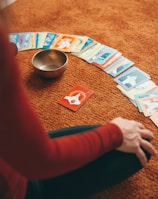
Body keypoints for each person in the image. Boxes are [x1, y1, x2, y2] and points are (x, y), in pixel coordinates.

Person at [0, 8, 157, 199]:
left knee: (129, 139)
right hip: (21, 185)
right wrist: (115, 133)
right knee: (138, 146)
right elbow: (40, 161)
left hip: (14, 156)